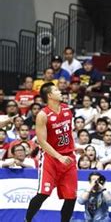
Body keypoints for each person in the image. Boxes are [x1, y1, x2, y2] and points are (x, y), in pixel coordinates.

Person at [24, 82, 77, 222]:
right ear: (49, 95)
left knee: (71, 196)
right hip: (51, 159)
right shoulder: (43, 115)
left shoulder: (67, 109)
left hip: (69, 158)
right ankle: (27, 220)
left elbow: (68, 132)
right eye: (56, 90)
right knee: (43, 194)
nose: (60, 92)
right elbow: (42, 141)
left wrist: (75, 147)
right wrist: (58, 156)